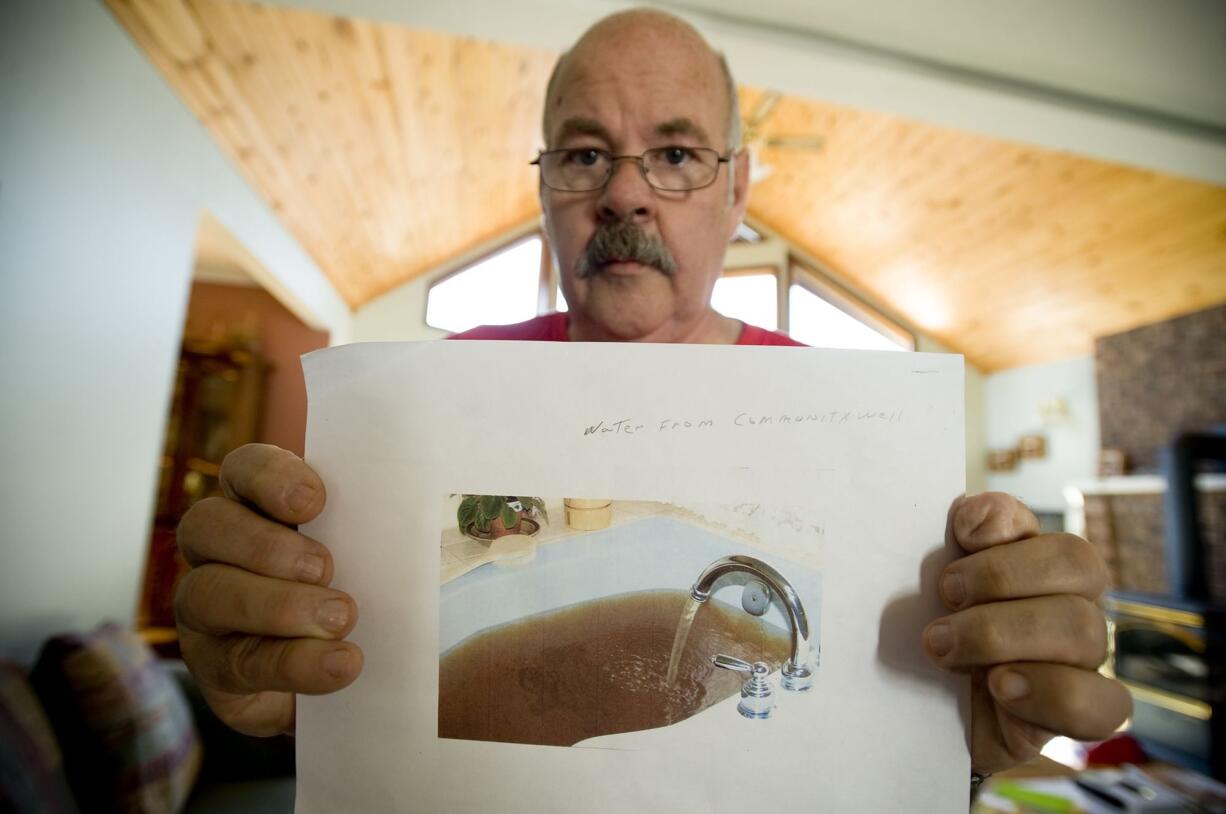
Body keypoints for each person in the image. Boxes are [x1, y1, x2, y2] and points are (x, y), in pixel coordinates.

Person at [174, 8, 1130, 783]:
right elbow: (382, 721)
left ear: (738, 191)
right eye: (586, 154)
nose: (626, 194)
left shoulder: (856, 426)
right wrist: (280, 694)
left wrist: (958, 748)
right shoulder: (434, 403)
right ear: (546, 187)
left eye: (675, 154)